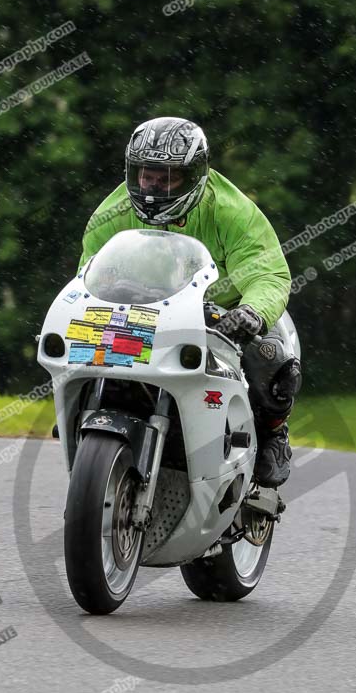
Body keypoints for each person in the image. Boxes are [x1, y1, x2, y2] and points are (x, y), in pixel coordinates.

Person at [78, 116, 302, 488]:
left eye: (166, 178)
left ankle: (272, 435)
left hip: (222, 315)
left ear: (196, 175)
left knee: (274, 361)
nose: (152, 187)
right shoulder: (111, 214)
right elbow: (88, 275)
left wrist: (251, 312)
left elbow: (268, 274)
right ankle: (85, 410)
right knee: (84, 338)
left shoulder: (232, 211)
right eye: (145, 175)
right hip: (143, 313)